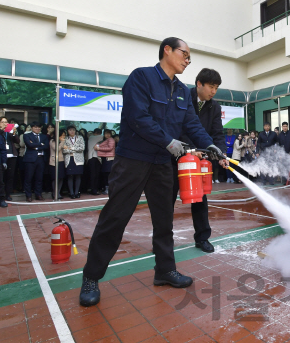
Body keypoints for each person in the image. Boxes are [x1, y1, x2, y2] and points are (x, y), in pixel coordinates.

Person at [79, 37, 222, 307]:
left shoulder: (182, 90)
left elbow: (192, 124)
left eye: (190, 57)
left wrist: (210, 144)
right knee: (115, 217)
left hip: (162, 164)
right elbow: (137, 117)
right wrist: (169, 141)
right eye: (185, 54)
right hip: (133, 159)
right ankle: (91, 278)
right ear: (167, 50)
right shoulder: (141, 78)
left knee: (164, 220)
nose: (187, 60)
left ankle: (164, 271)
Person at [177, 68, 228, 253]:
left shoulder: (214, 107)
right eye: (211, 87)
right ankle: (161, 241)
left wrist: (222, 154)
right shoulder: (182, 96)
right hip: (176, 154)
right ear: (199, 84)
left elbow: (217, 133)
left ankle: (202, 238)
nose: (213, 92)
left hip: (198, 160)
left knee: (200, 198)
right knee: (166, 199)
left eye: (216, 88)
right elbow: (180, 127)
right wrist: (190, 149)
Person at [23, 122, 49, 202]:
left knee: (39, 178)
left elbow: (46, 146)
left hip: (41, 159)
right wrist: (40, 144)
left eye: (39, 127)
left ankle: (38, 194)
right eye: (35, 127)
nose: (37, 129)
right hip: (30, 159)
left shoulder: (44, 136)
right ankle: (28, 195)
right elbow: (29, 145)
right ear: (32, 128)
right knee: (28, 178)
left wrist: (35, 146)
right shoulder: (27, 135)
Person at [0, 117, 19, 201]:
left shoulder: (9, 132)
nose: (5, 124)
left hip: (11, 155)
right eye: (2, 122)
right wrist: (1, 130)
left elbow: (17, 141)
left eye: (6, 122)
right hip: (1, 156)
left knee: (10, 176)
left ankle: (8, 194)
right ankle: (0, 194)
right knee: (0, 176)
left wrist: (13, 133)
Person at [63, 125, 85, 199]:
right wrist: (73, 150)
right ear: (67, 131)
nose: (72, 131)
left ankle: (77, 192)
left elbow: (82, 148)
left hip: (79, 159)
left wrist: (71, 148)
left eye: (73, 130)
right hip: (69, 159)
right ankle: (71, 193)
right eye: (70, 130)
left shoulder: (80, 138)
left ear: (75, 130)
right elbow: (64, 150)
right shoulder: (65, 139)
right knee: (70, 176)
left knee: (78, 175)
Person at [94, 129, 115, 195]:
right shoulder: (103, 141)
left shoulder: (111, 140)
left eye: (109, 133)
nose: (107, 135)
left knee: (108, 174)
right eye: (106, 133)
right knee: (105, 174)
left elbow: (110, 148)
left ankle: (109, 189)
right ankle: (106, 188)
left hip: (109, 159)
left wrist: (99, 149)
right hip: (104, 159)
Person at [49, 130, 66, 200]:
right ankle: (54, 193)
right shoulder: (52, 141)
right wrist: (62, 142)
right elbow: (57, 149)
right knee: (55, 178)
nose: (63, 137)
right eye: (62, 135)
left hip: (61, 160)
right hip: (54, 161)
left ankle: (58, 192)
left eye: (64, 135)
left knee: (61, 177)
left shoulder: (63, 142)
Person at [86, 128, 103, 195]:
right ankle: (93, 189)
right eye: (97, 133)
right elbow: (102, 137)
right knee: (94, 175)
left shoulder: (92, 137)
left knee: (96, 175)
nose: (98, 134)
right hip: (92, 158)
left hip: (97, 158)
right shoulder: (92, 138)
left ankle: (95, 189)